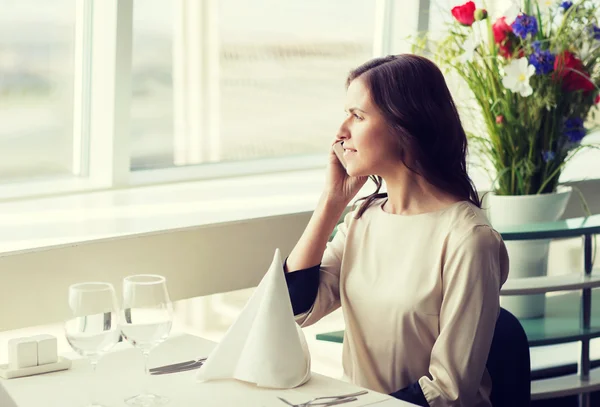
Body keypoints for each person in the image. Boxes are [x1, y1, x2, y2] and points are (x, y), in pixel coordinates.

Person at [283, 54, 509, 407]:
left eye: (357, 116)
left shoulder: (469, 238)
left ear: (406, 126)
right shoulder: (363, 218)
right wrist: (331, 203)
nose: (341, 132)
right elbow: (297, 310)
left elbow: (448, 392)